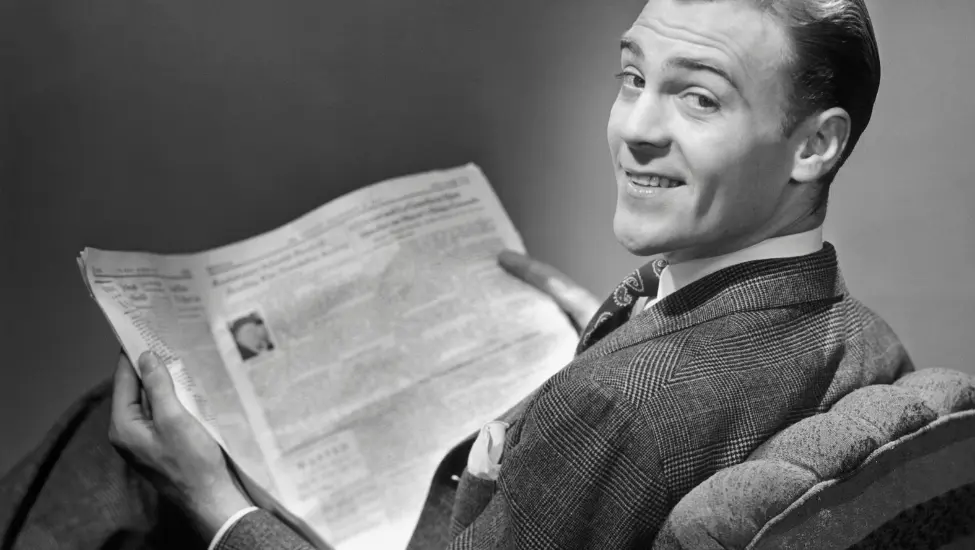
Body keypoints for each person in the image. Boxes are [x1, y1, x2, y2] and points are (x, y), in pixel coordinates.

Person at [4, 0, 912, 548]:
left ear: (815, 144)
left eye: (697, 96)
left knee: (118, 439)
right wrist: (612, 330)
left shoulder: (613, 411)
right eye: (632, 76)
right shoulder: (859, 333)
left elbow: (631, 423)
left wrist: (212, 502)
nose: (635, 126)